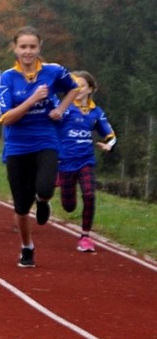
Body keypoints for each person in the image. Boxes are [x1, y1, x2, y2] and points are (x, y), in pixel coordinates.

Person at [0, 26, 79, 268]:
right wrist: (32, 99)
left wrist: (61, 109)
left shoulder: (53, 72)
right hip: (17, 145)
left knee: (44, 187)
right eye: (23, 47)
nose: (28, 51)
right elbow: (7, 118)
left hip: (45, 139)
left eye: (32, 47)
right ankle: (27, 247)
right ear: (15, 49)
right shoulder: (7, 78)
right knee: (21, 206)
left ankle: (43, 200)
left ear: (39, 47)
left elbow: (74, 88)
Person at [57, 71, 116, 253]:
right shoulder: (64, 107)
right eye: (74, 84)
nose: (78, 89)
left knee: (89, 195)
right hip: (65, 161)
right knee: (69, 206)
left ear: (90, 89)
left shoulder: (96, 112)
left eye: (82, 85)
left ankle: (85, 237)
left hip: (86, 160)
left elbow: (111, 136)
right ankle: (58, 184)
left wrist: (109, 145)